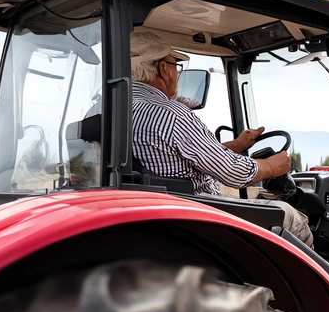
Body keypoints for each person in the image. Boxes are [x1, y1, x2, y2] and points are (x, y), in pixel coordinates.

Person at [129, 31, 313, 246]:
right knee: (291, 216)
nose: (177, 74)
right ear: (163, 68)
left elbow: (179, 155)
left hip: (155, 211)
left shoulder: (108, 110)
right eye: (176, 66)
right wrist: (272, 167)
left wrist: (238, 145)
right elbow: (232, 173)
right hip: (197, 212)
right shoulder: (171, 114)